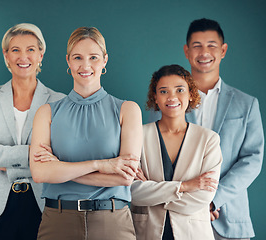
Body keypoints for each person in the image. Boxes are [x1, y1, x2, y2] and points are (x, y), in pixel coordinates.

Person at [148, 19, 264, 240]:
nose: (204, 52)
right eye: (197, 45)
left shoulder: (247, 104)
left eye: (211, 45)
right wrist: (192, 199)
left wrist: (213, 199)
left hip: (230, 219)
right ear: (186, 50)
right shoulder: (166, 100)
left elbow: (252, 160)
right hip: (177, 217)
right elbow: (158, 158)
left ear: (223, 50)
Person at [29, 26, 143, 240]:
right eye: (78, 57)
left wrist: (60, 169)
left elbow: (125, 177)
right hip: (58, 221)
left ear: (105, 60)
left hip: (112, 221)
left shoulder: (128, 110)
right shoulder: (46, 113)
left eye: (93, 57)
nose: (86, 65)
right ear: (68, 61)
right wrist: (102, 165)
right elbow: (40, 174)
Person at [0, 23, 65, 240]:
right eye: (15, 50)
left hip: (42, 205)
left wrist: (1, 159)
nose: (23, 56)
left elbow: (58, 159)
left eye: (30, 49)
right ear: (6, 55)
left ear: (41, 55)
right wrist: (32, 154)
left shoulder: (59, 101)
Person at [131, 64, 222, 240]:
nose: (172, 97)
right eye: (163, 91)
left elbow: (203, 197)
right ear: (155, 98)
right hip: (146, 232)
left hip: (193, 233)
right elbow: (133, 192)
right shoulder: (138, 135)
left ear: (191, 95)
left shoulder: (209, 139)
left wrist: (152, 193)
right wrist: (185, 186)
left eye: (180, 90)